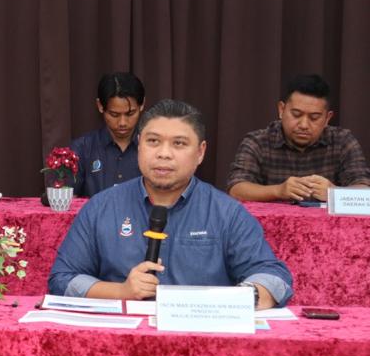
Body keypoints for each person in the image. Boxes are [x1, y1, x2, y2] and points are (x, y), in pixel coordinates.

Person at [49, 99, 292, 309]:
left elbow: (274, 278)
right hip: (122, 340)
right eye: (153, 141)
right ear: (139, 145)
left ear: (200, 152)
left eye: (179, 144)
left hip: (200, 336)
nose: (164, 154)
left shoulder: (226, 213)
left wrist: (232, 300)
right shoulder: (102, 207)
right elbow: (62, 279)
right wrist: (121, 291)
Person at [228, 74, 370, 202]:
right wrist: (278, 191)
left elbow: (365, 190)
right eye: (296, 114)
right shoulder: (257, 142)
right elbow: (236, 189)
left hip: (327, 223)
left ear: (327, 118)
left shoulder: (343, 141)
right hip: (270, 223)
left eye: (314, 117)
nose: (303, 125)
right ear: (281, 110)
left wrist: (334, 193)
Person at [70, 72, 145, 197]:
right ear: (100, 106)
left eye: (130, 114)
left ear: (142, 105)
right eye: (114, 115)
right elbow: (67, 200)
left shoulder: (154, 147)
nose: (122, 123)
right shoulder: (82, 149)